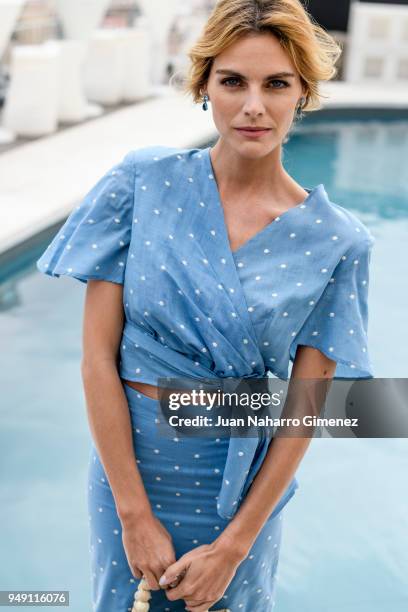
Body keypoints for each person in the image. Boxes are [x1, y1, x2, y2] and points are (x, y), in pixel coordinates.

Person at [36, 1, 375, 610]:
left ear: (303, 92)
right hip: (131, 473)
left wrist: (235, 546)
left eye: (276, 84)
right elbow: (95, 358)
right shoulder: (143, 183)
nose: (253, 106)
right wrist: (133, 512)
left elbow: (304, 409)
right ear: (203, 86)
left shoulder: (337, 240)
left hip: (242, 496)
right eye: (232, 82)